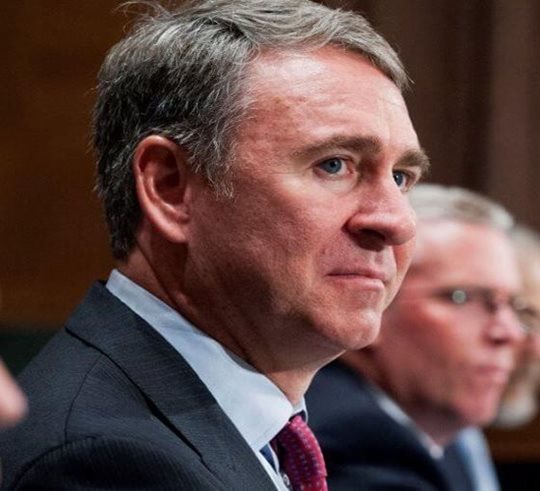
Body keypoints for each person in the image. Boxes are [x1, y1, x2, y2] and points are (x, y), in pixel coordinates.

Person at [0, 1, 428, 489]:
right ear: (170, 188)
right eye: (334, 165)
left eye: (401, 177)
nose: (396, 221)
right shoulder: (105, 461)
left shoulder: (255, 430)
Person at [307, 184, 530, 490]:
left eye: (512, 305)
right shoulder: (355, 444)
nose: (508, 332)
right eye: (463, 297)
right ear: (371, 302)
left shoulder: (442, 438)